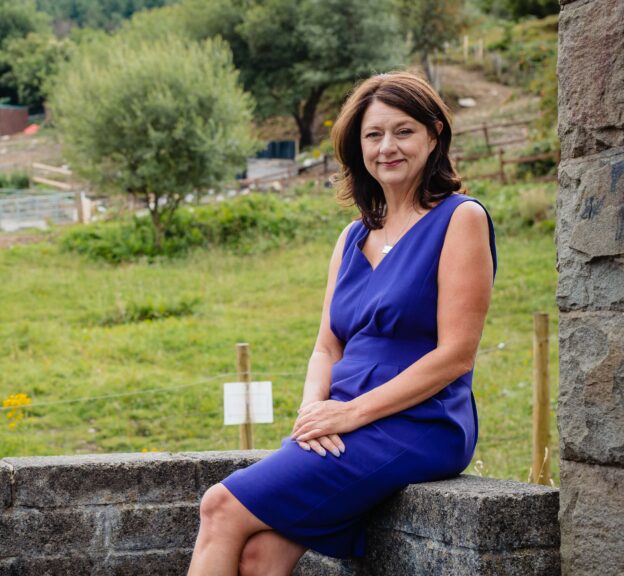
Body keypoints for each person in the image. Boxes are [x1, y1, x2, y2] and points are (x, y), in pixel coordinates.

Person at [187, 71, 496, 576]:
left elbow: (455, 354)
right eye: (373, 135)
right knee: (259, 555)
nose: (386, 147)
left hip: (420, 421)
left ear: (434, 133)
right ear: (358, 146)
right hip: (342, 418)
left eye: (403, 131)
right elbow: (327, 346)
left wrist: (350, 416)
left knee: (219, 506)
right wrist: (314, 412)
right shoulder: (352, 237)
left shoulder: (460, 219)